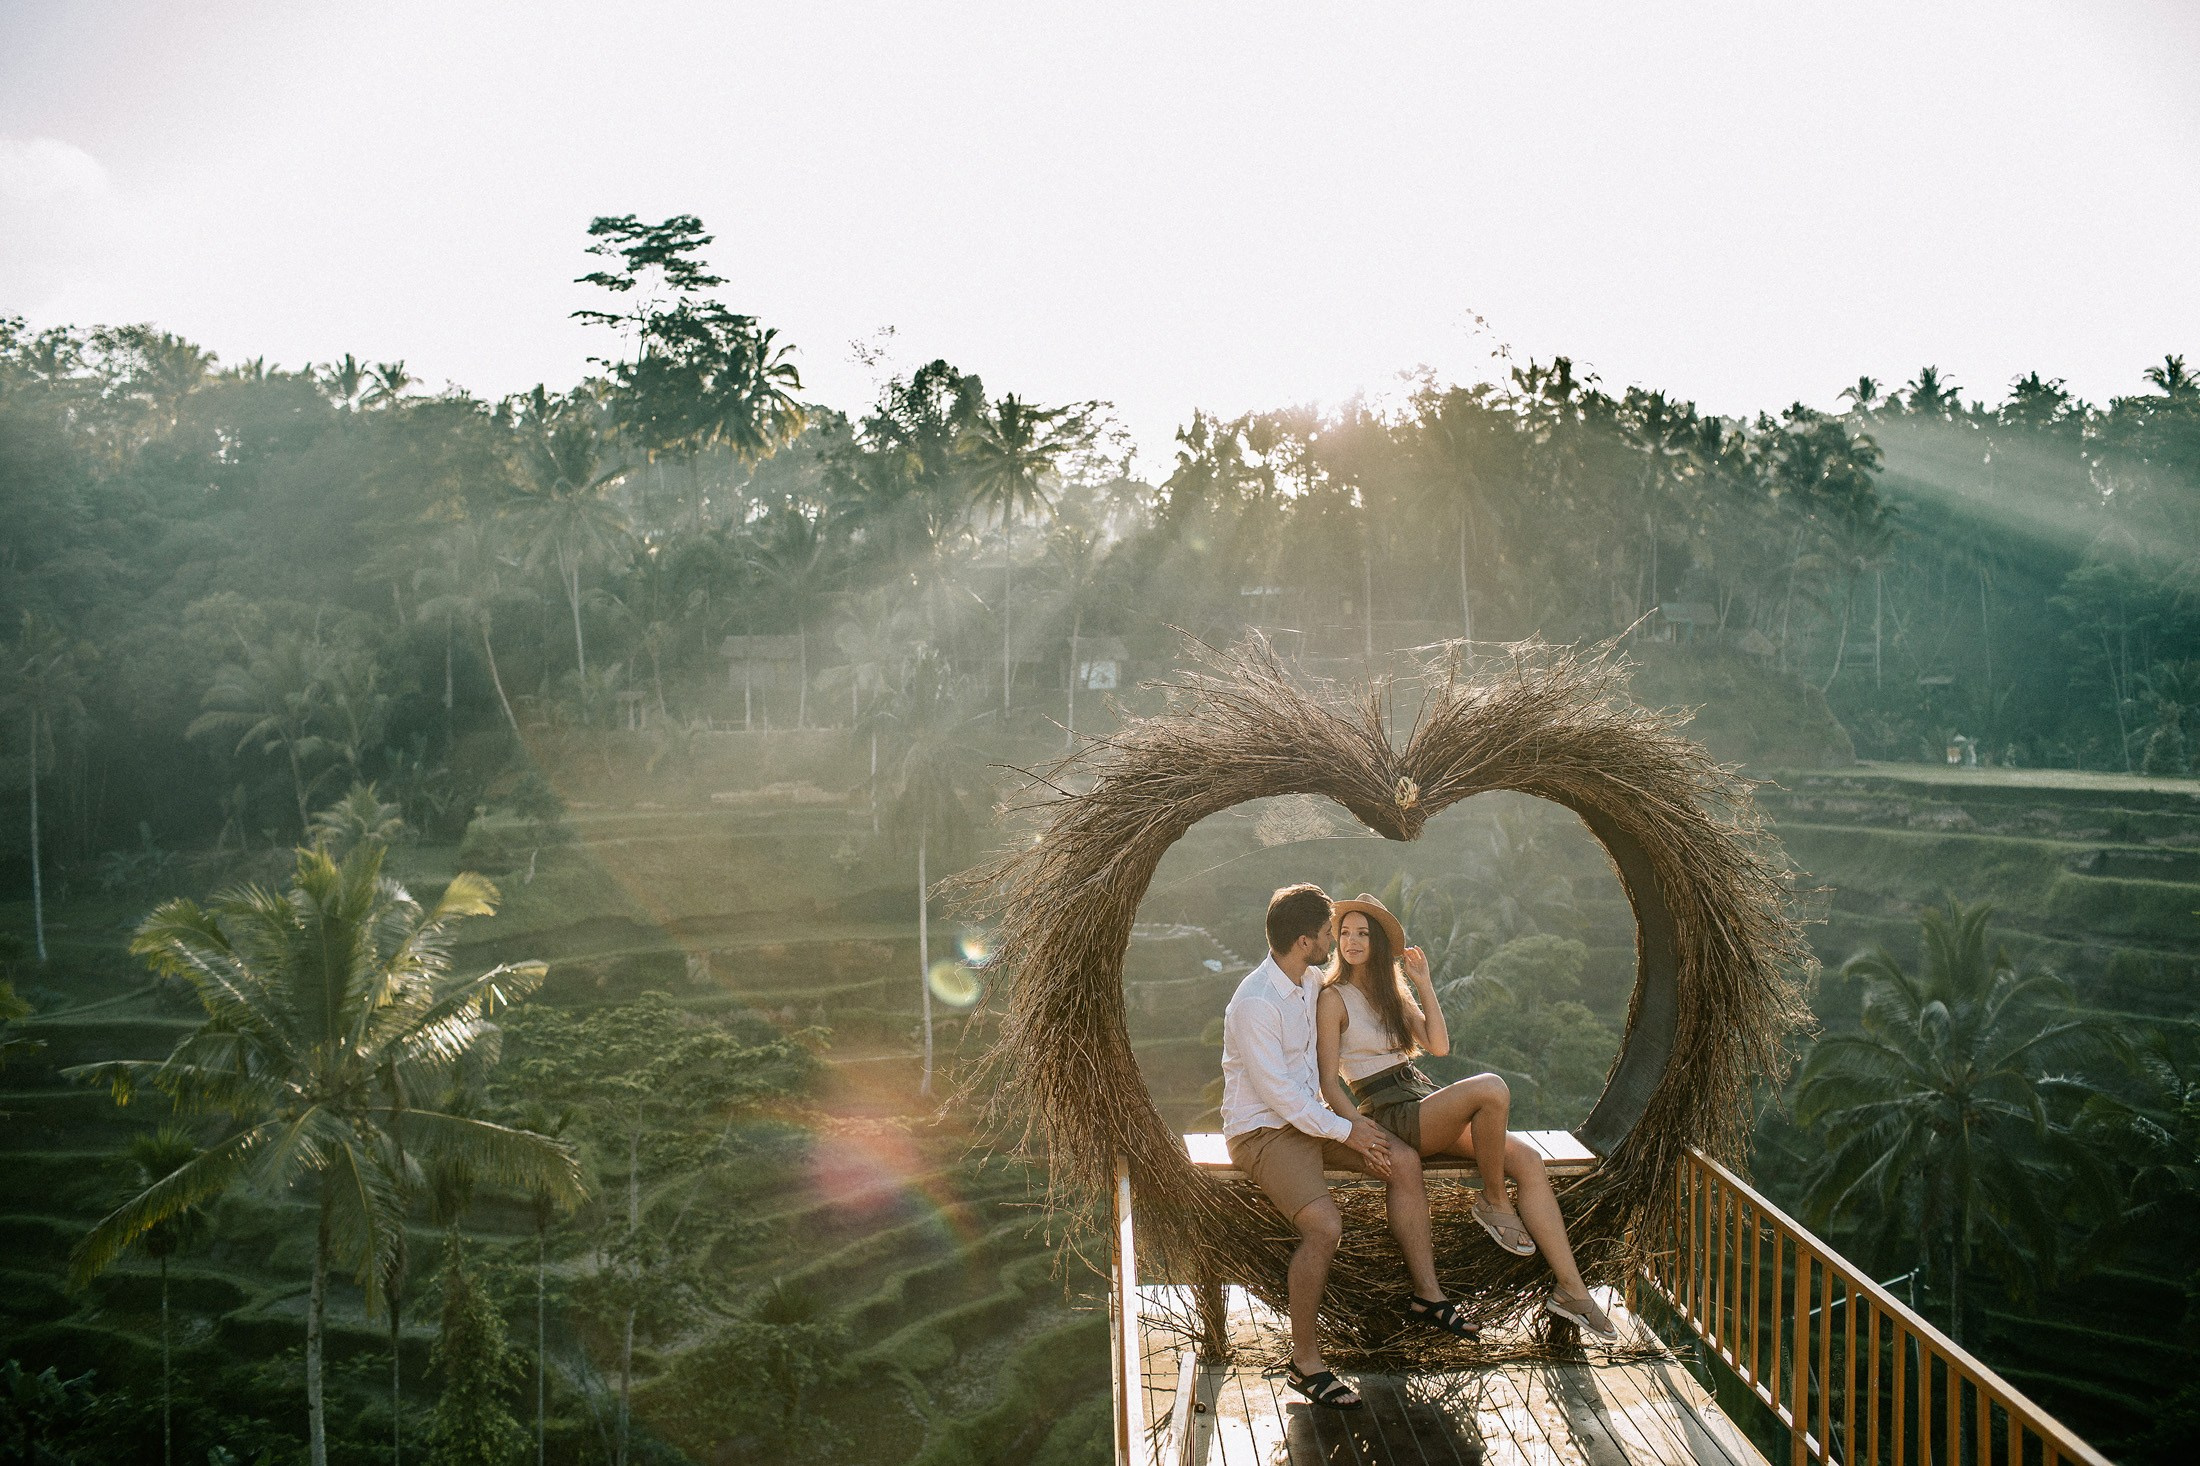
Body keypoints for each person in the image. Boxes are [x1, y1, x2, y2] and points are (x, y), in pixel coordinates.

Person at [1220, 882, 1480, 1413]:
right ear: (1303, 940)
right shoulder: (1255, 1003)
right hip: (1263, 1131)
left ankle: (1428, 1295)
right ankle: (1307, 1362)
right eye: (1326, 934)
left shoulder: (1310, 981)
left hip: (1310, 1123)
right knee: (1325, 1227)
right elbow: (1282, 1098)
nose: (1332, 942)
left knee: (1403, 1161)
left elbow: (1347, 1029)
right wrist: (1350, 1129)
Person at [1313, 892, 1617, 1339]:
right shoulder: (1332, 998)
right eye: (1344, 933)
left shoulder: (1390, 995)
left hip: (1420, 1100)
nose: (1352, 941)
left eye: (1362, 933)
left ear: (1377, 943)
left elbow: (1438, 1045)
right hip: (1392, 1113)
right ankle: (1494, 1203)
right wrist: (1354, 1128)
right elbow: (1326, 1081)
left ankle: (1572, 1291)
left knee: (1529, 1161)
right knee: (1491, 1088)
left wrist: (1424, 982)